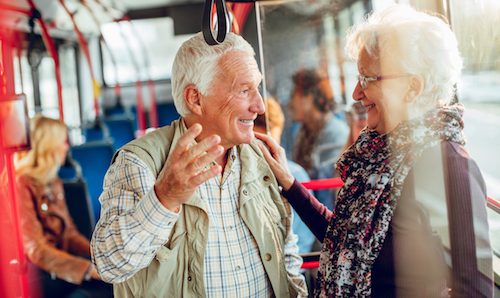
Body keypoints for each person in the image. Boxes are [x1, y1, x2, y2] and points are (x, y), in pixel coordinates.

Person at [256, 4, 493, 297]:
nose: (356, 92)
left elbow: (475, 290)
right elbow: (347, 242)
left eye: (368, 79)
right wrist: (291, 186)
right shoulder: (379, 153)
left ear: (412, 87)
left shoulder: (447, 164)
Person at [91, 32, 307, 297]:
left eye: (257, 88)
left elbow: (286, 253)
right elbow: (108, 266)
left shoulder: (261, 155)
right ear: (195, 98)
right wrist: (163, 199)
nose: (259, 106)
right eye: (243, 90)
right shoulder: (138, 162)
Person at [14, 116, 112, 298]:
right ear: (48, 147)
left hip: (59, 262)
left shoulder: (53, 181)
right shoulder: (19, 184)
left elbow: (69, 234)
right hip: (37, 272)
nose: (66, 147)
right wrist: (88, 270)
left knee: (112, 285)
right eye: (63, 142)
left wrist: (99, 254)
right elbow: (36, 249)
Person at [254, 96, 316, 254]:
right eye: (256, 145)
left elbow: (304, 237)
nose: (264, 153)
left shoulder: (295, 175)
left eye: (270, 143)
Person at [289, 69, 348, 211]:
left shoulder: (336, 133)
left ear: (308, 97)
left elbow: (326, 190)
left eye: (294, 96)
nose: (290, 103)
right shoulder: (302, 131)